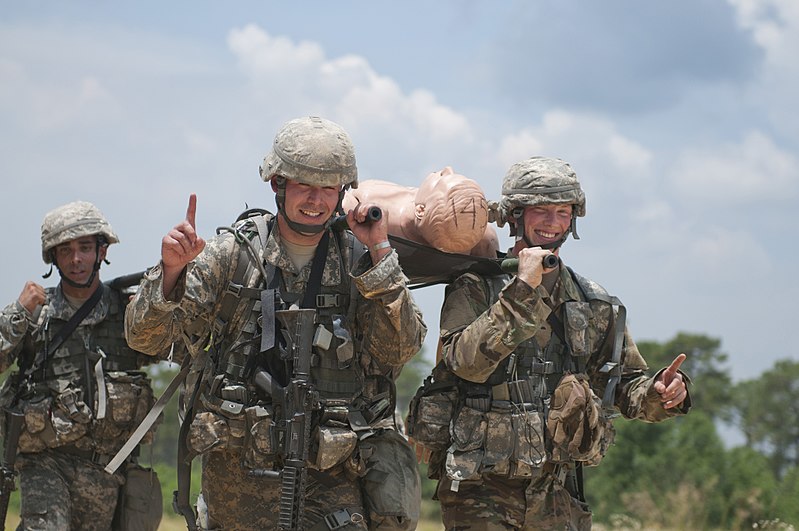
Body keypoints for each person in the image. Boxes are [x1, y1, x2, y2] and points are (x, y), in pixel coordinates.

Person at [125, 115, 427, 530]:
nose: (315, 200)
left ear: (342, 193)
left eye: (327, 188)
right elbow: (146, 340)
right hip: (241, 473)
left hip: (333, 468)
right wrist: (171, 274)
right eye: (304, 185)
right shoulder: (233, 255)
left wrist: (380, 253)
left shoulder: (360, 259)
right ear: (277, 183)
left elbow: (400, 349)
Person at [406, 156, 691, 530]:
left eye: (562, 211)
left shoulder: (593, 301)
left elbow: (620, 385)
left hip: (558, 489)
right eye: (540, 210)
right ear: (515, 215)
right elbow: (464, 362)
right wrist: (524, 290)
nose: (552, 222)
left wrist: (661, 392)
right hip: (481, 487)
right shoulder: (475, 287)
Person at [0, 201, 163, 531]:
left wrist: (151, 317)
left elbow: (180, 350)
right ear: (54, 258)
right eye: (65, 251)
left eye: (85, 248)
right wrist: (17, 313)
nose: (76, 260)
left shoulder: (126, 314)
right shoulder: (36, 315)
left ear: (102, 251)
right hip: (46, 461)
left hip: (110, 468)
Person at [342, 166, 500, 257]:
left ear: (420, 210)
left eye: (440, 180)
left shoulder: (364, 198)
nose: (447, 169)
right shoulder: (482, 238)